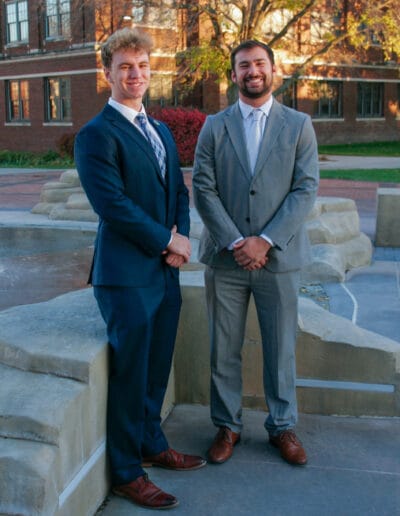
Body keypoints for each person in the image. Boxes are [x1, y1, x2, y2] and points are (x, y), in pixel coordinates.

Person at [74, 27, 206, 510]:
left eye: (143, 66)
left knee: (156, 367)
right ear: (106, 72)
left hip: (165, 270)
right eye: (125, 66)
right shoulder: (95, 135)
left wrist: (183, 239)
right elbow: (114, 206)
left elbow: (178, 192)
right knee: (130, 374)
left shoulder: (161, 130)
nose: (136, 75)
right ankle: (128, 472)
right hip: (125, 275)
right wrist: (166, 239)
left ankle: (153, 443)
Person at [192, 40, 319, 467]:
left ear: (273, 69)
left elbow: (305, 189)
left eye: (260, 63)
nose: (253, 71)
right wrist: (235, 241)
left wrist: (265, 240)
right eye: (244, 65)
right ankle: (226, 426)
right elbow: (203, 188)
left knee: (280, 347)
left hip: (278, 259)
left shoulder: (299, 125)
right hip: (225, 260)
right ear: (233, 74)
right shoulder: (214, 125)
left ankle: (282, 427)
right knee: (223, 347)